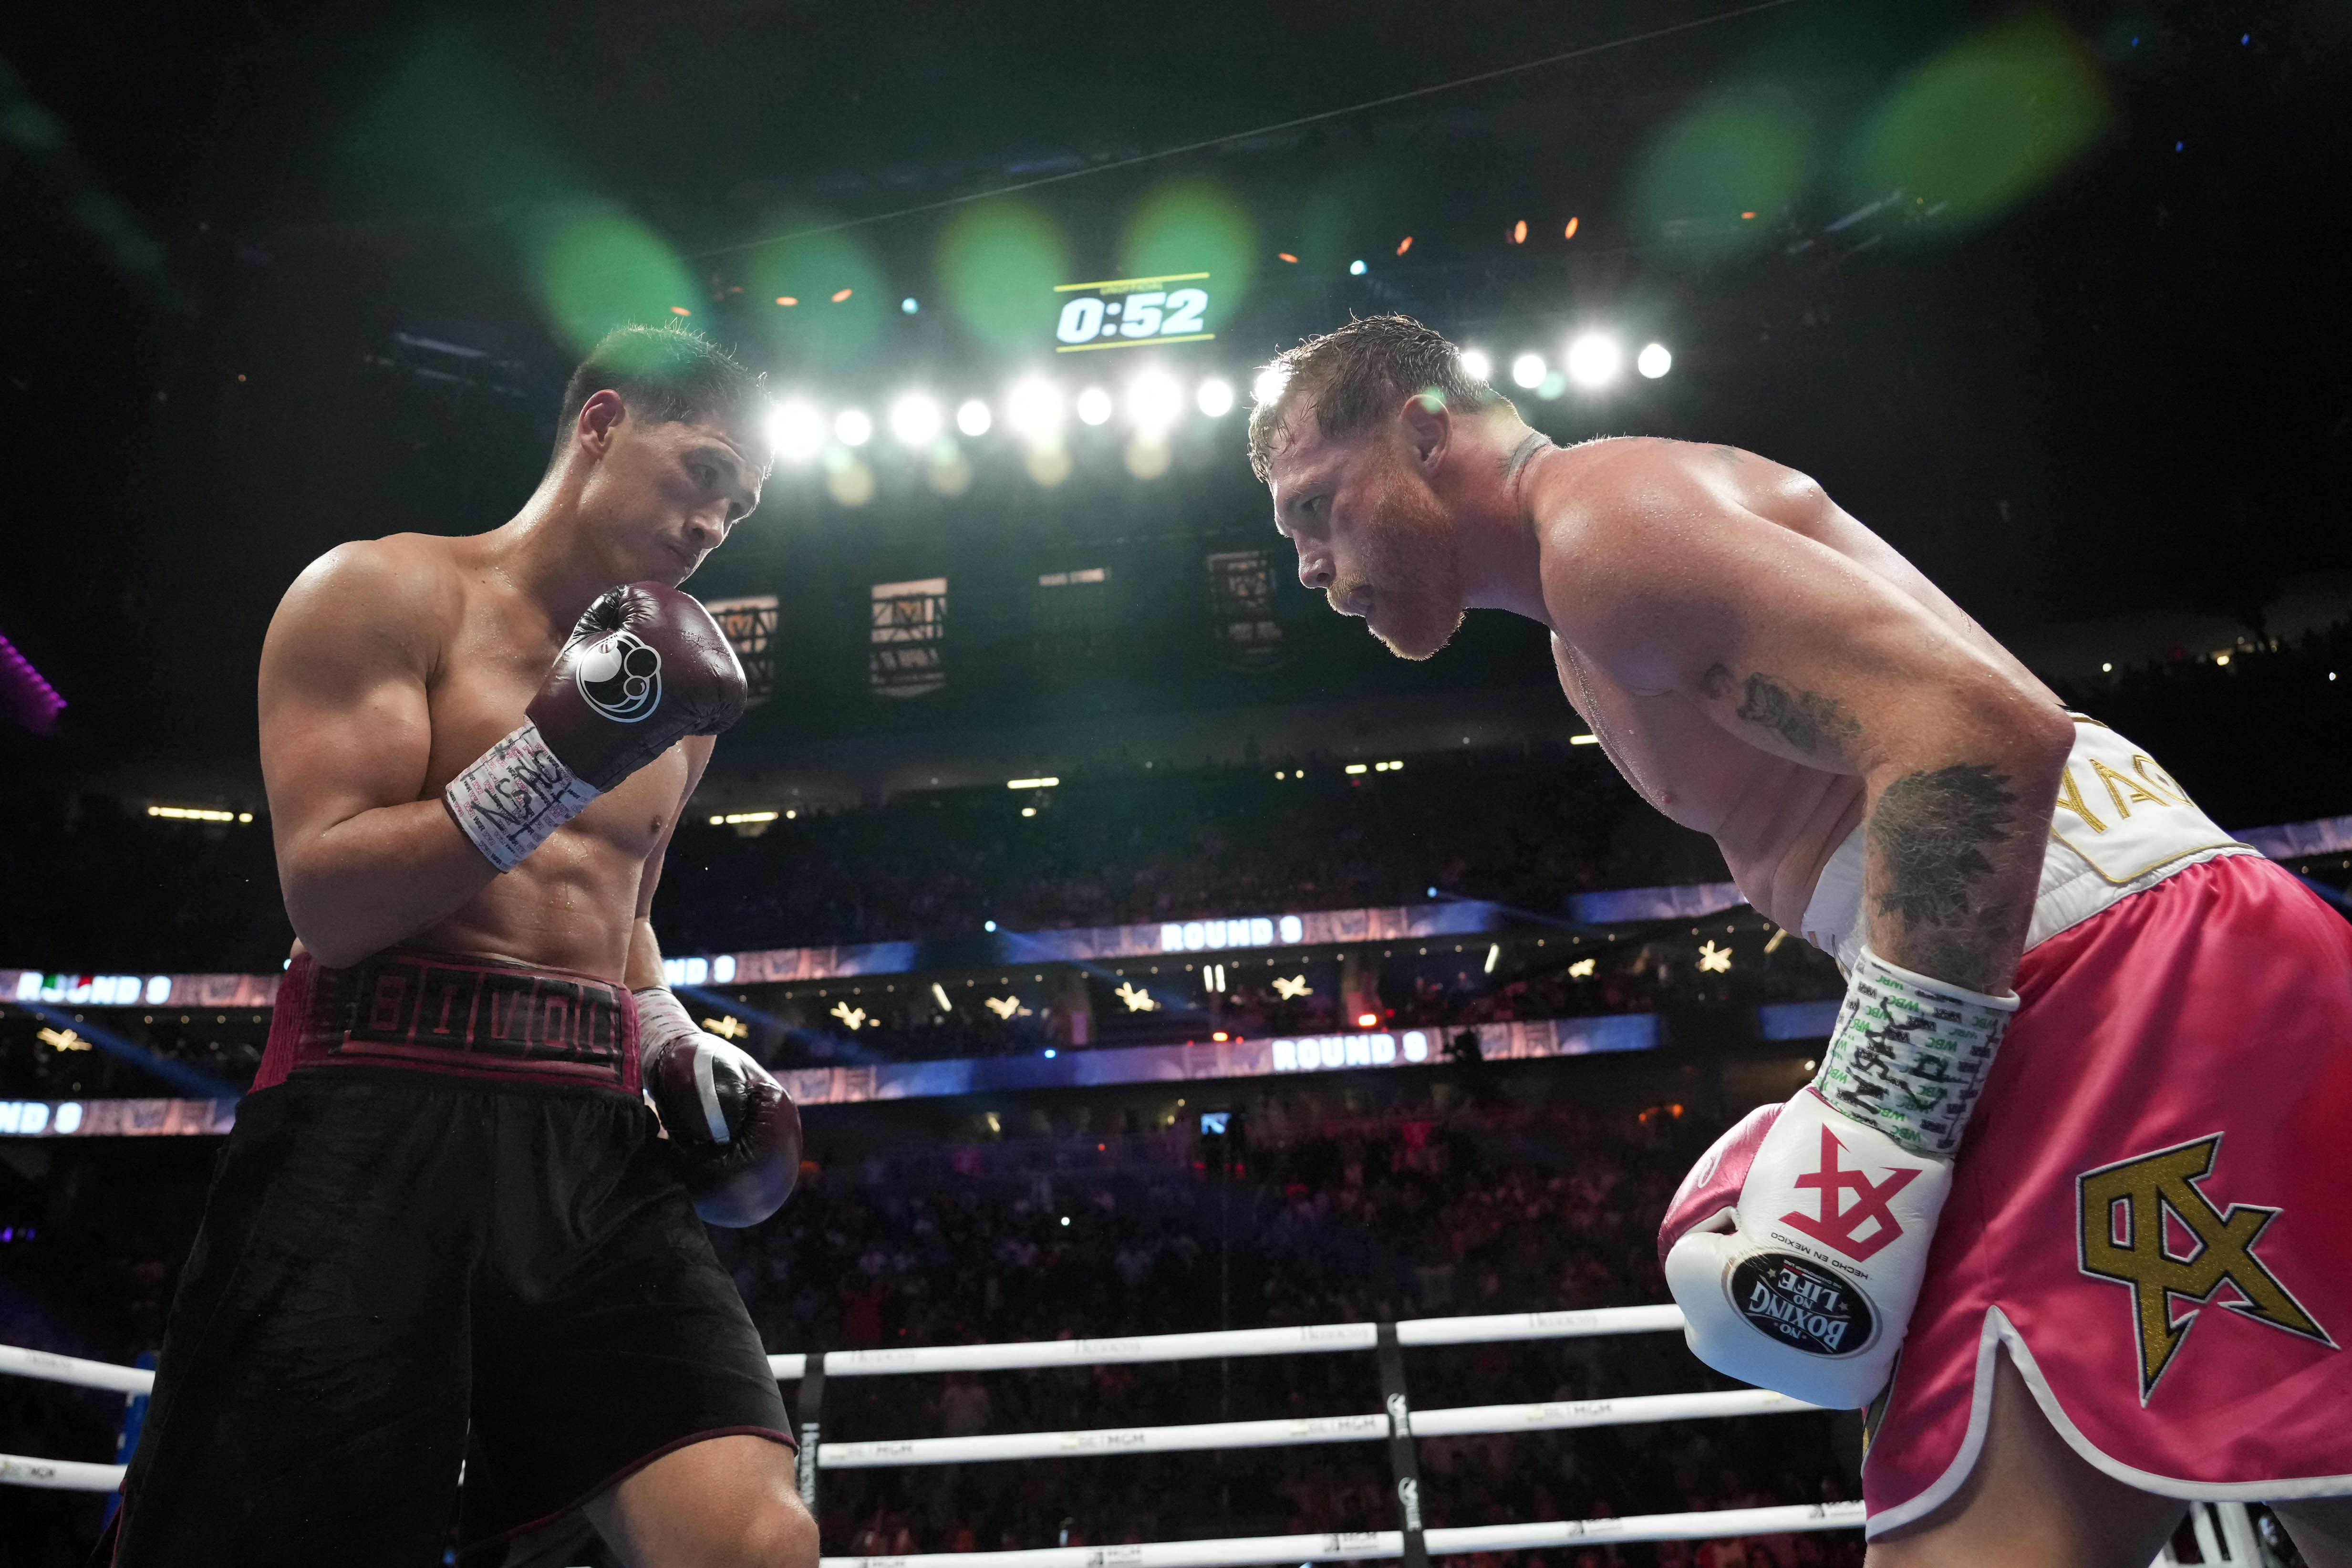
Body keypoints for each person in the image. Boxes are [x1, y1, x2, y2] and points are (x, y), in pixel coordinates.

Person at [1246, 314, 2352, 1565]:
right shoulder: (1585, 609)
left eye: (1312, 505)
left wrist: (1884, 1113)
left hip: (2118, 978)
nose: (1301, 561)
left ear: (1422, 431)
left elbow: (1977, 736)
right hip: (2133, 959)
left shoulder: (1608, 527)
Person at [109, 324, 816, 1567]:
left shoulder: (683, 696)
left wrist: (676, 1040)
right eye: (702, 471)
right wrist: (562, 750)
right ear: (601, 425)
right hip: (374, 1113)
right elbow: (330, 897)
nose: (716, 521)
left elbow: (621, 915)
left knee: (754, 1542)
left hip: (592, 1146)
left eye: (743, 503)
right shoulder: (381, 595)